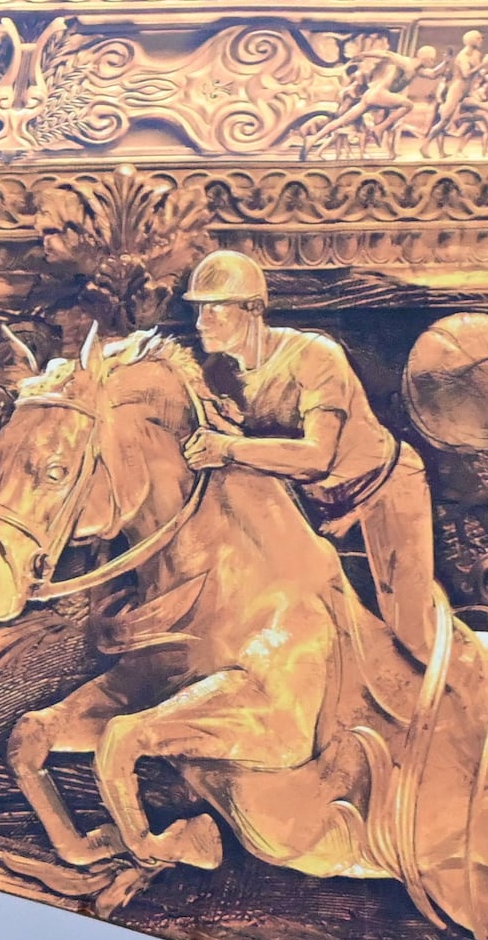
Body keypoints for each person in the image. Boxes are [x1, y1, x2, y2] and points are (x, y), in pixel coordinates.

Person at [180, 248, 446, 660]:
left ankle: (464, 709)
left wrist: (228, 448)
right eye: (198, 311)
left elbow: (316, 457)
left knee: (412, 635)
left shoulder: (314, 357)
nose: (201, 323)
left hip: (383, 492)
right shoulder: (219, 376)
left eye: (214, 309)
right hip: (315, 512)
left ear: (252, 309)